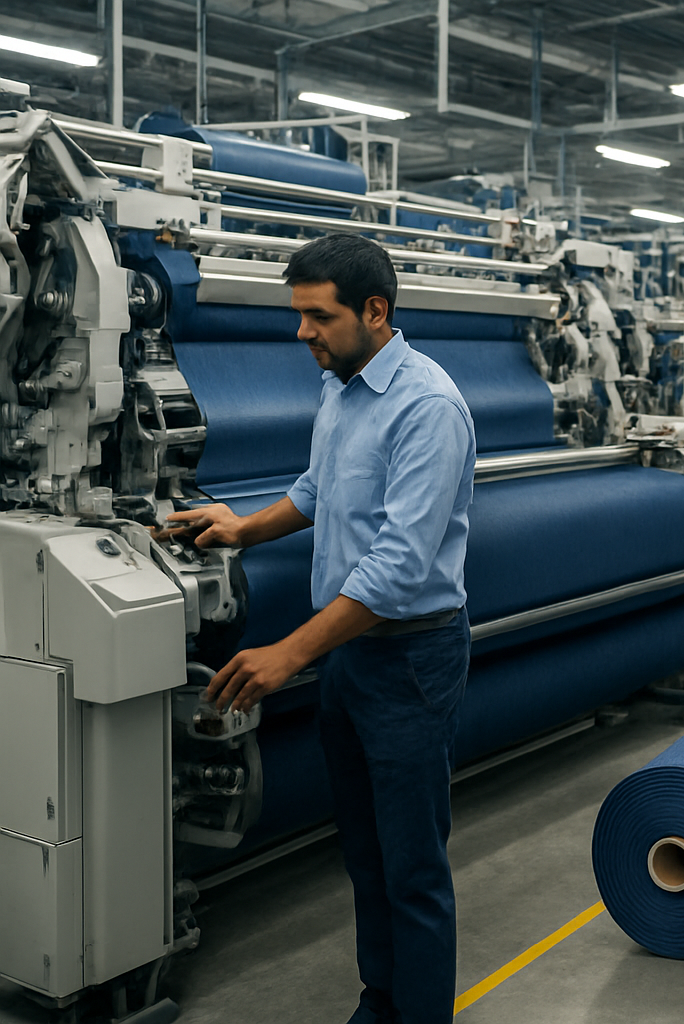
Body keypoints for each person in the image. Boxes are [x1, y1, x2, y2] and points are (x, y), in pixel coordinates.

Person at [167, 234, 476, 1024]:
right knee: (367, 858)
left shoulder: (428, 408)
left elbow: (401, 568)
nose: (301, 333)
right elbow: (317, 488)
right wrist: (242, 530)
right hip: (351, 653)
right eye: (298, 314)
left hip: (409, 659)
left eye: (318, 316)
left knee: (412, 870)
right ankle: (383, 1004)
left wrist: (289, 653)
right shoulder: (342, 384)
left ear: (375, 312)